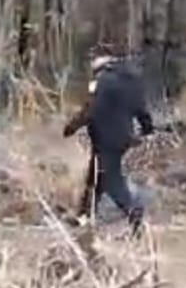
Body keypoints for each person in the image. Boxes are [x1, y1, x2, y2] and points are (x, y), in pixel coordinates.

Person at [63, 53, 154, 234]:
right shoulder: (130, 80)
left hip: (106, 139)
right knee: (95, 179)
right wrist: (147, 129)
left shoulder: (103, 81)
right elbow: (141, 109)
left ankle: (133, 212)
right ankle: (84, 216)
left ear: (101, 63)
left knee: (110, 180)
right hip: (123, 138)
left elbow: (91, 108)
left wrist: (72, 126)